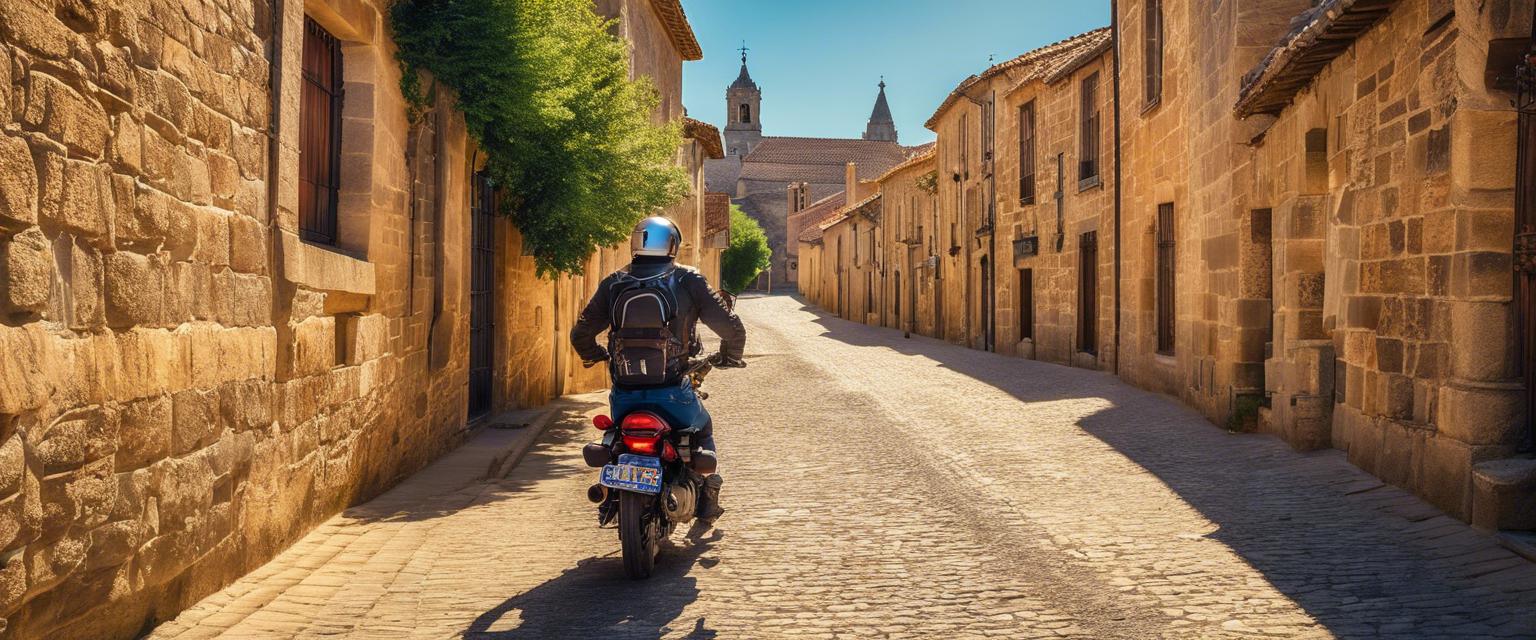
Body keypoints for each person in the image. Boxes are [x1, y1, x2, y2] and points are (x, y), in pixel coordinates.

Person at [570, 215, 746, 525]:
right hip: (673, 390)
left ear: (635, 243)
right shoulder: (687, 280)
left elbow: (581, 333)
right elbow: (730, 328)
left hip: (625, 394)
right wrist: (730, 355)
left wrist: (594, 354)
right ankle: (706, 497)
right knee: (702, 427)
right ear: (673, 245)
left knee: (617, 435)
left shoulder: (614, 283)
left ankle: (610, 494)